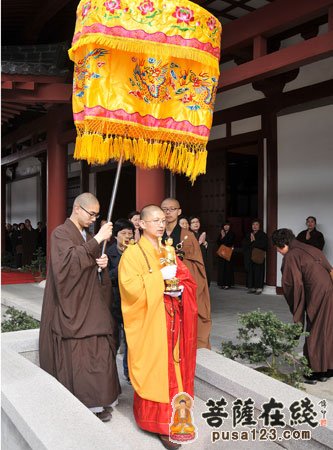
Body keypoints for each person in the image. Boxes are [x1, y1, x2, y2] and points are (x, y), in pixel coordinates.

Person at [118, 205, 198, 450]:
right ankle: (158, 423)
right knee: (156, 370)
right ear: (141, 224)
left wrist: (180, 287)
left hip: (174, 319)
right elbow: (130, 288)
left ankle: (175, 418)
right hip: (151, 322)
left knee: (175, 369)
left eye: (163, 220)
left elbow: (186, 279)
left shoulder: (168, 250)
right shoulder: (132, 254)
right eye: (154, 220)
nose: (161, 224)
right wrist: (160, 280)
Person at [39, 193, 121, 422]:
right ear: (77, 208)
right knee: (82, 358)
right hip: (73, 306)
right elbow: (66, 267)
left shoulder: (86, 234)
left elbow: (87, 264)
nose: (94, 219)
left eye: (97, 215)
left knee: (102, 351)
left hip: (92, 303)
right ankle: (85, 404)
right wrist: (97, 241)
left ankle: (101, 400)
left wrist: (101, 264)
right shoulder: (61, 234)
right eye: (91, 214)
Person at [272, 228, 333, 384]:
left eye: (278, 249)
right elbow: (330, 269)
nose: (279, 252)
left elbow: (292, 285)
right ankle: (329, 369)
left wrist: (298, 305)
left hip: (316, 294)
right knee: (328, 329)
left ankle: (314, 371)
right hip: (329, 290)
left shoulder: (291, 255)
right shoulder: (311, 248)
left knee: (314, 331)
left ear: (283, 244)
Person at [161, 198, 211, 349]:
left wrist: (181, 265)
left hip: (182, 286)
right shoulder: (155, 234)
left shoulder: (188, 237)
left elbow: (198, 265)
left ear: (179, 211)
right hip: (160, 286)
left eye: (172, 209)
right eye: (164, 209)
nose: (168, 212)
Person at [105, 218, 135, 384]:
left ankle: (129, 373)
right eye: (123, 233)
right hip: (115, 303)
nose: (127, 237)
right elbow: (107, 278)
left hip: (133, 303)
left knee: (131, 340)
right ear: (115, 236)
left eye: (130, 234)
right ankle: (109, 375)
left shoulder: (136, 251)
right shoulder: (109, 253)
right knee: (114, 340)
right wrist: (124, 263)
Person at [242, 219, 268, 295]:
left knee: (258, 271)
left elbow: (264, 245)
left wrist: (254, 242)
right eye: (253, 225)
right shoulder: (249, 234)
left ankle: (259, 288)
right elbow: (244, 243)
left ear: (259, 226)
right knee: (250, 272)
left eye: (256, 225)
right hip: (250, 256)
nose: (255, 226)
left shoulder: (263, 235)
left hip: (258, 256)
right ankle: (252, 287)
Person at [189, 215, 210, 286]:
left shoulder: (203, 234)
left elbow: (210, 249)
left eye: (197, 222)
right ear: (189, 225)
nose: (196, 224)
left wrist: (205, 243)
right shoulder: (188, 235)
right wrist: (200, 242)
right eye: (193, 222)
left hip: (204, 261)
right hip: (194, 262)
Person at [216, 222, 235, 289]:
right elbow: (218, 242)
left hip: (228, 253)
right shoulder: (221, 233)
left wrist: (223, 237)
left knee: (228, 269)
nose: (226, 227)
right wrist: (222, 236)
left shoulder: (232, 234)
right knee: (222, 269)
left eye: (227, 225)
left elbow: (229, 243)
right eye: (225, 225)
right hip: (222, 253)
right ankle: (222, 284)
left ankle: (227, 284)